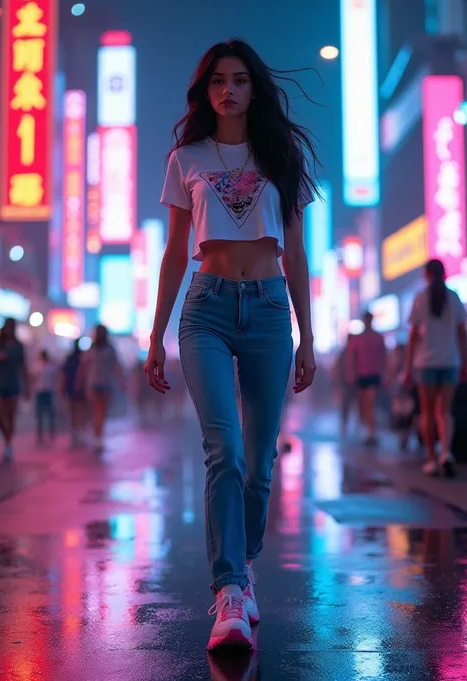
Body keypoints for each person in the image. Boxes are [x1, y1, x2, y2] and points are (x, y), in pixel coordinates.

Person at [145, 39, 317, 651]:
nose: (229, 89)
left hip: (270, 311)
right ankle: (230, 593)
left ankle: (241, 572)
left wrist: (307, 333)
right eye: (218, 80)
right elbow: (172, 254)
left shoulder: (281, 155)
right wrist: (156, 334)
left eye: (240, 79)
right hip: (207, 311)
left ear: (254, 88)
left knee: (261, 464)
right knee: (225, 450)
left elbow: (294, 251)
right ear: (206, 90)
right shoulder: (186, 157)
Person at [404, 259, 467, 477]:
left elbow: (413, 336)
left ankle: (431, 458)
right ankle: (446, 453)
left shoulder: (420, 298)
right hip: (451, 360)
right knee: (446, 411)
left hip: (426, 363)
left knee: (428, 411)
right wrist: (464, 361)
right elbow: (462, 332)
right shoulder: (454, 297)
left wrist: (407, 368)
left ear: (427, 275)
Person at [76, 325, 125, 452]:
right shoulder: (92, 349)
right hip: (93, 384)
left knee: (100, 413)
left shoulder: (109, 350)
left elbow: (116, 366)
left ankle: (98, 438)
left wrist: (121, 382)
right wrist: (79, 381)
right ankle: (97, 437)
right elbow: (83, 367)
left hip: (105, 384)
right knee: (97, 412)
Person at [0, 317, 29, 461]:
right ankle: (6, 437)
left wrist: (27, 387)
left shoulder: (18, 346)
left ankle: (8, 445)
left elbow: (23, 367)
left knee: (10, 416)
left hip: (13, 383)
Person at [348, 312, 386, 445]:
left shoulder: (378, 337)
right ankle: (366, 430)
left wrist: (385, 373)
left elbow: (384, 356)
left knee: (370, 403)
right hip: (361, 375)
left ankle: (370, 432)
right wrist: (351, 373)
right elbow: (352, 357)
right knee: (362, 405)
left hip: (373, 374)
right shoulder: (357, 339)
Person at [61, 339, 86, 444]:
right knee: (78, 411)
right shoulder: (81, 358)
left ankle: (75, 433)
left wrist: (62, 387)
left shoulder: (72, 358)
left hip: (73, 388)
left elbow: (64, 374)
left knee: (74, 411)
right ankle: (76, 433)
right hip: (77, 388)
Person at [32, 349, 57, 445]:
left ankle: (51, 433)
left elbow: (56, 376)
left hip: (49, 391)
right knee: (39, 415)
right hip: (39, 392)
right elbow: (33, 378)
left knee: (50, 414)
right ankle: (40, 435)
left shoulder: (51, 366)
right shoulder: (37, 366)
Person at [333, 333, 355, 437]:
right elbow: (337, 368)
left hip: (353, 383)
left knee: (351, 404)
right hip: (347, 383)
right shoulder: (344, 353)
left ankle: (352, 425)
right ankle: (345, 424)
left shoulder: (352, 352)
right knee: (346, 405)